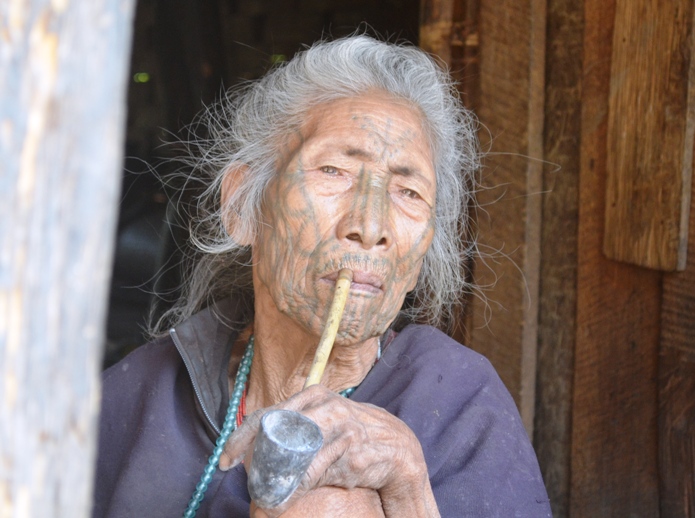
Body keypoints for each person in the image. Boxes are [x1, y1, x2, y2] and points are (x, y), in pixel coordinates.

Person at [93, 35, 551, 517]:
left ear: (420, 257)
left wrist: (408, 490)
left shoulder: (460, 405)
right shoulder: (143, 395)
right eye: (333, 170)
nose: (371, 227)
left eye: (409, 192)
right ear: (241, 205)